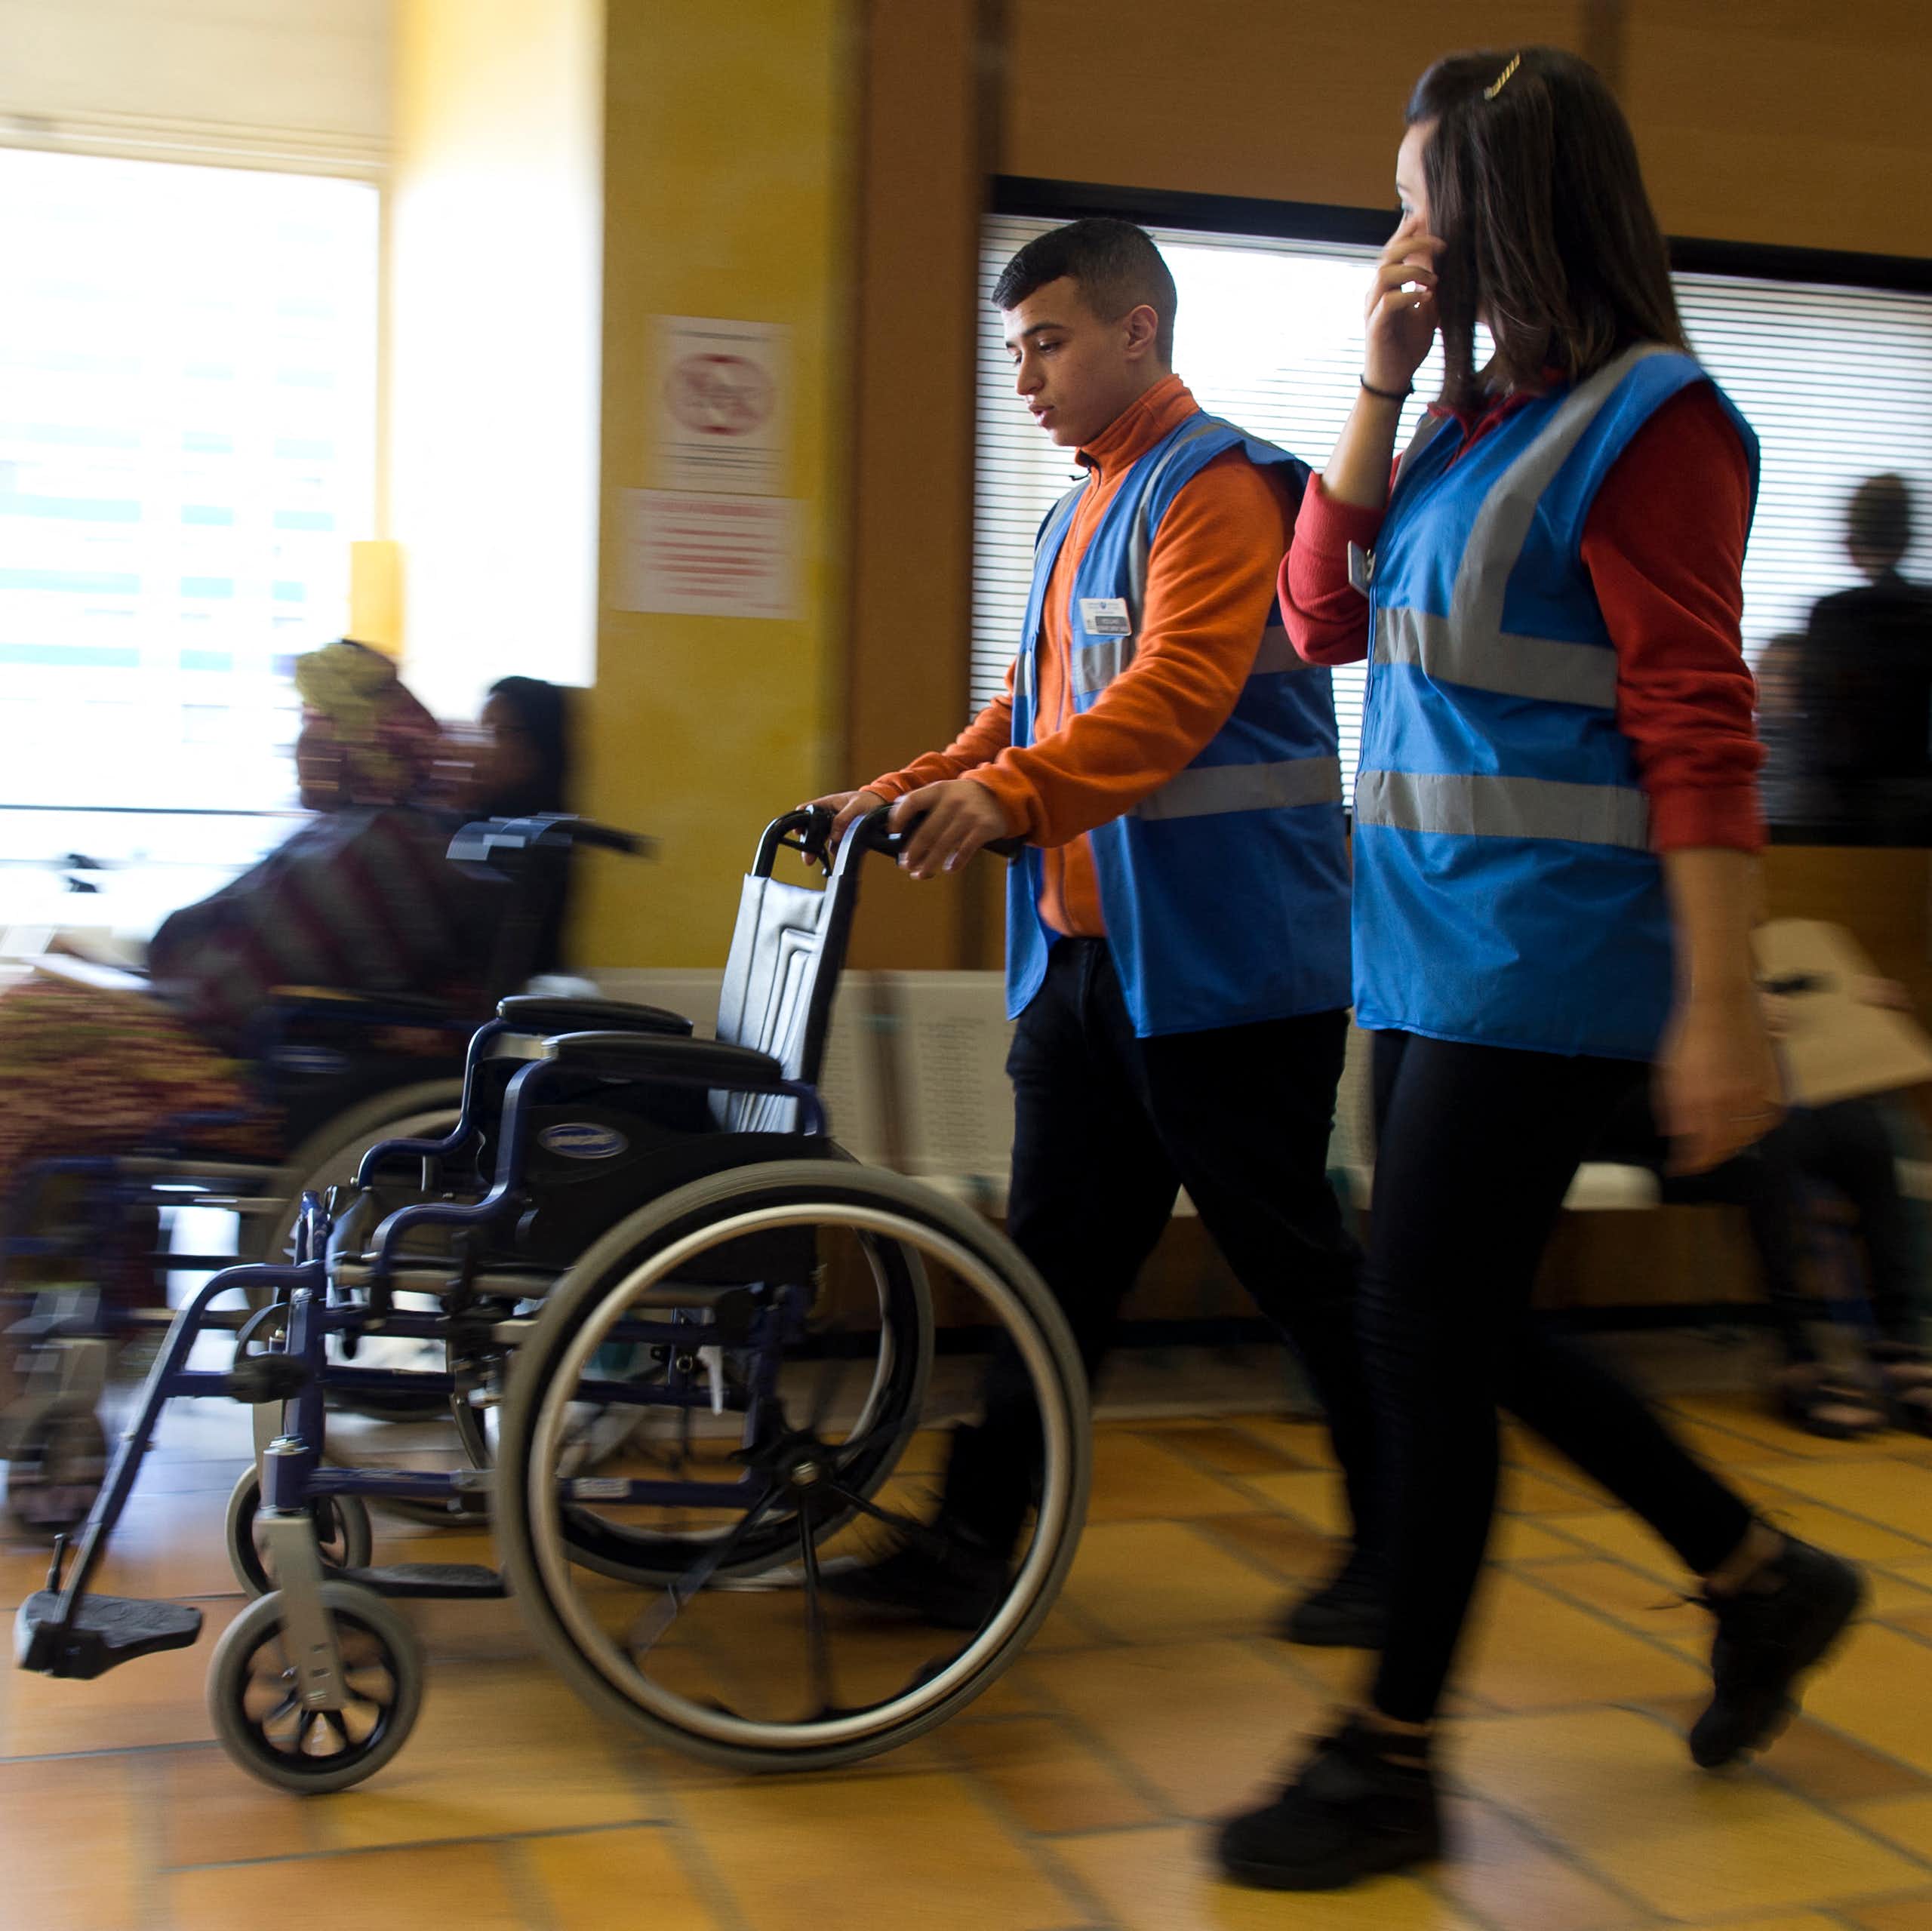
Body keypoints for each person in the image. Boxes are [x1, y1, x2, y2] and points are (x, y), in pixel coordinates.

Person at [1216, 48, 1863, 1893]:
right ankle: (1758, 1573)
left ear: (1508, 204)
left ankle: (1392, 1748)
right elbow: (1317, 616)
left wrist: (1720, 1006)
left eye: (1426, 193)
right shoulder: (1471, 423)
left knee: (1415, 1332)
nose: (1404, 234)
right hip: (1423, 951)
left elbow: (1695, 721)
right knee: (1450, 1319)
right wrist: (1373, 382)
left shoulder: (1656, 419)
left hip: (1552, 958)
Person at [803, 217, 1381, 1643]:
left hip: (1226, 970)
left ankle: (1405, 1539)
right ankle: (971, 1542)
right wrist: (903, 789)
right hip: (1085, 965)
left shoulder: (1222, 491)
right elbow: (1034, 713)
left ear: (1138, 332)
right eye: (1015, 351)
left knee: (1300, 1265)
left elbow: (1176, 698)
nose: (1026, 378)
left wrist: (1004, 797)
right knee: (1051, 1262)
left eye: (1048, 343)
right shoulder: (1079, 510)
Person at [0, 641, 498, 1198]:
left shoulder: (378, 847)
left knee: (21, 1029)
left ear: (350, 745)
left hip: (239, 1067)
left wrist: (136, 987)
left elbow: (243, 993)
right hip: (233, 1040)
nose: (296, 748)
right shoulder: (354, 835)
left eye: (311, 729)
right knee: (35, 1002)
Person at [1786, 475, 1932, 842]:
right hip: (1918, 823)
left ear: (1851, 543)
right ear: (1908, 536)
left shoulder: (1832, 617)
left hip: (1839, 822)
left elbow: (1815, 720)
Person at [472, 675, 576, 976]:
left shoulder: (540, 834)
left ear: (540, 744)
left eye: (500, 733)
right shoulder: (483, 813)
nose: (483, 749)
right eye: (483, 732)